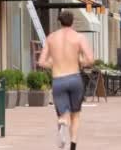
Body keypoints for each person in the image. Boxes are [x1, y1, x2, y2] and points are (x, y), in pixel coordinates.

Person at [37, 11, 94, 150]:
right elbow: (90, 60)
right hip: (74, 78)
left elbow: (41, 62)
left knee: (63, 113)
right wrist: (80, 61)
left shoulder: (51, 38)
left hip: (58, 79)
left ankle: (62, 121)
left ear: (59, 22)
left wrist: (54, 63)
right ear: (72, 22)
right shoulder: (79, 37)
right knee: (76, 115)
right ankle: (73, 145)